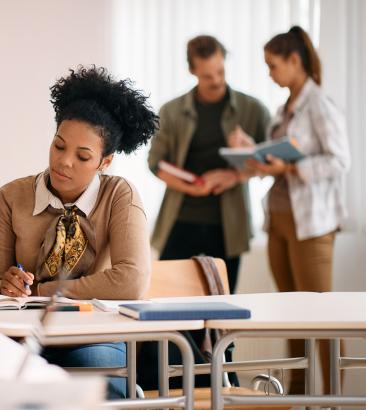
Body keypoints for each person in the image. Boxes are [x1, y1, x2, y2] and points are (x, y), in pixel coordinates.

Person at [0, 66, 156, 398]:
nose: (64, 162)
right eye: (59, 146)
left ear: (105, 161)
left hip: (94, 334)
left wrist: (45, 290)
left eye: (83, 156)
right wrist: (6, 285)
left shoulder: (119, 195)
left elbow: (132, 279)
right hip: (20, 333)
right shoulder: (10, 197)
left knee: (97, 391)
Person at [251, 25, 350, 395]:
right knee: (292, 314)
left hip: (312, 225)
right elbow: (281, 156)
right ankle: (296, 396)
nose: (270, 74)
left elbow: (340, 161)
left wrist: (292, 167)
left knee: (323, 317)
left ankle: (334, 400)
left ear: (295, 61)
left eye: (273, 65)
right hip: (279, 220)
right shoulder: (285, 108)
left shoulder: (320, 104)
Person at [148, 35, 271, 293]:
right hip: (180, 218)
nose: (216, 80)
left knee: (222, 305)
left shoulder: (253, 110)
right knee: (165, 298)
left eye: (220, 72)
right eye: (207, 76)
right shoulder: (171, 111)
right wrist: (189, 187)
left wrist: (234, 176)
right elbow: (155, 162)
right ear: (192, 71)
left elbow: (269, 162)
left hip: (227, 225)